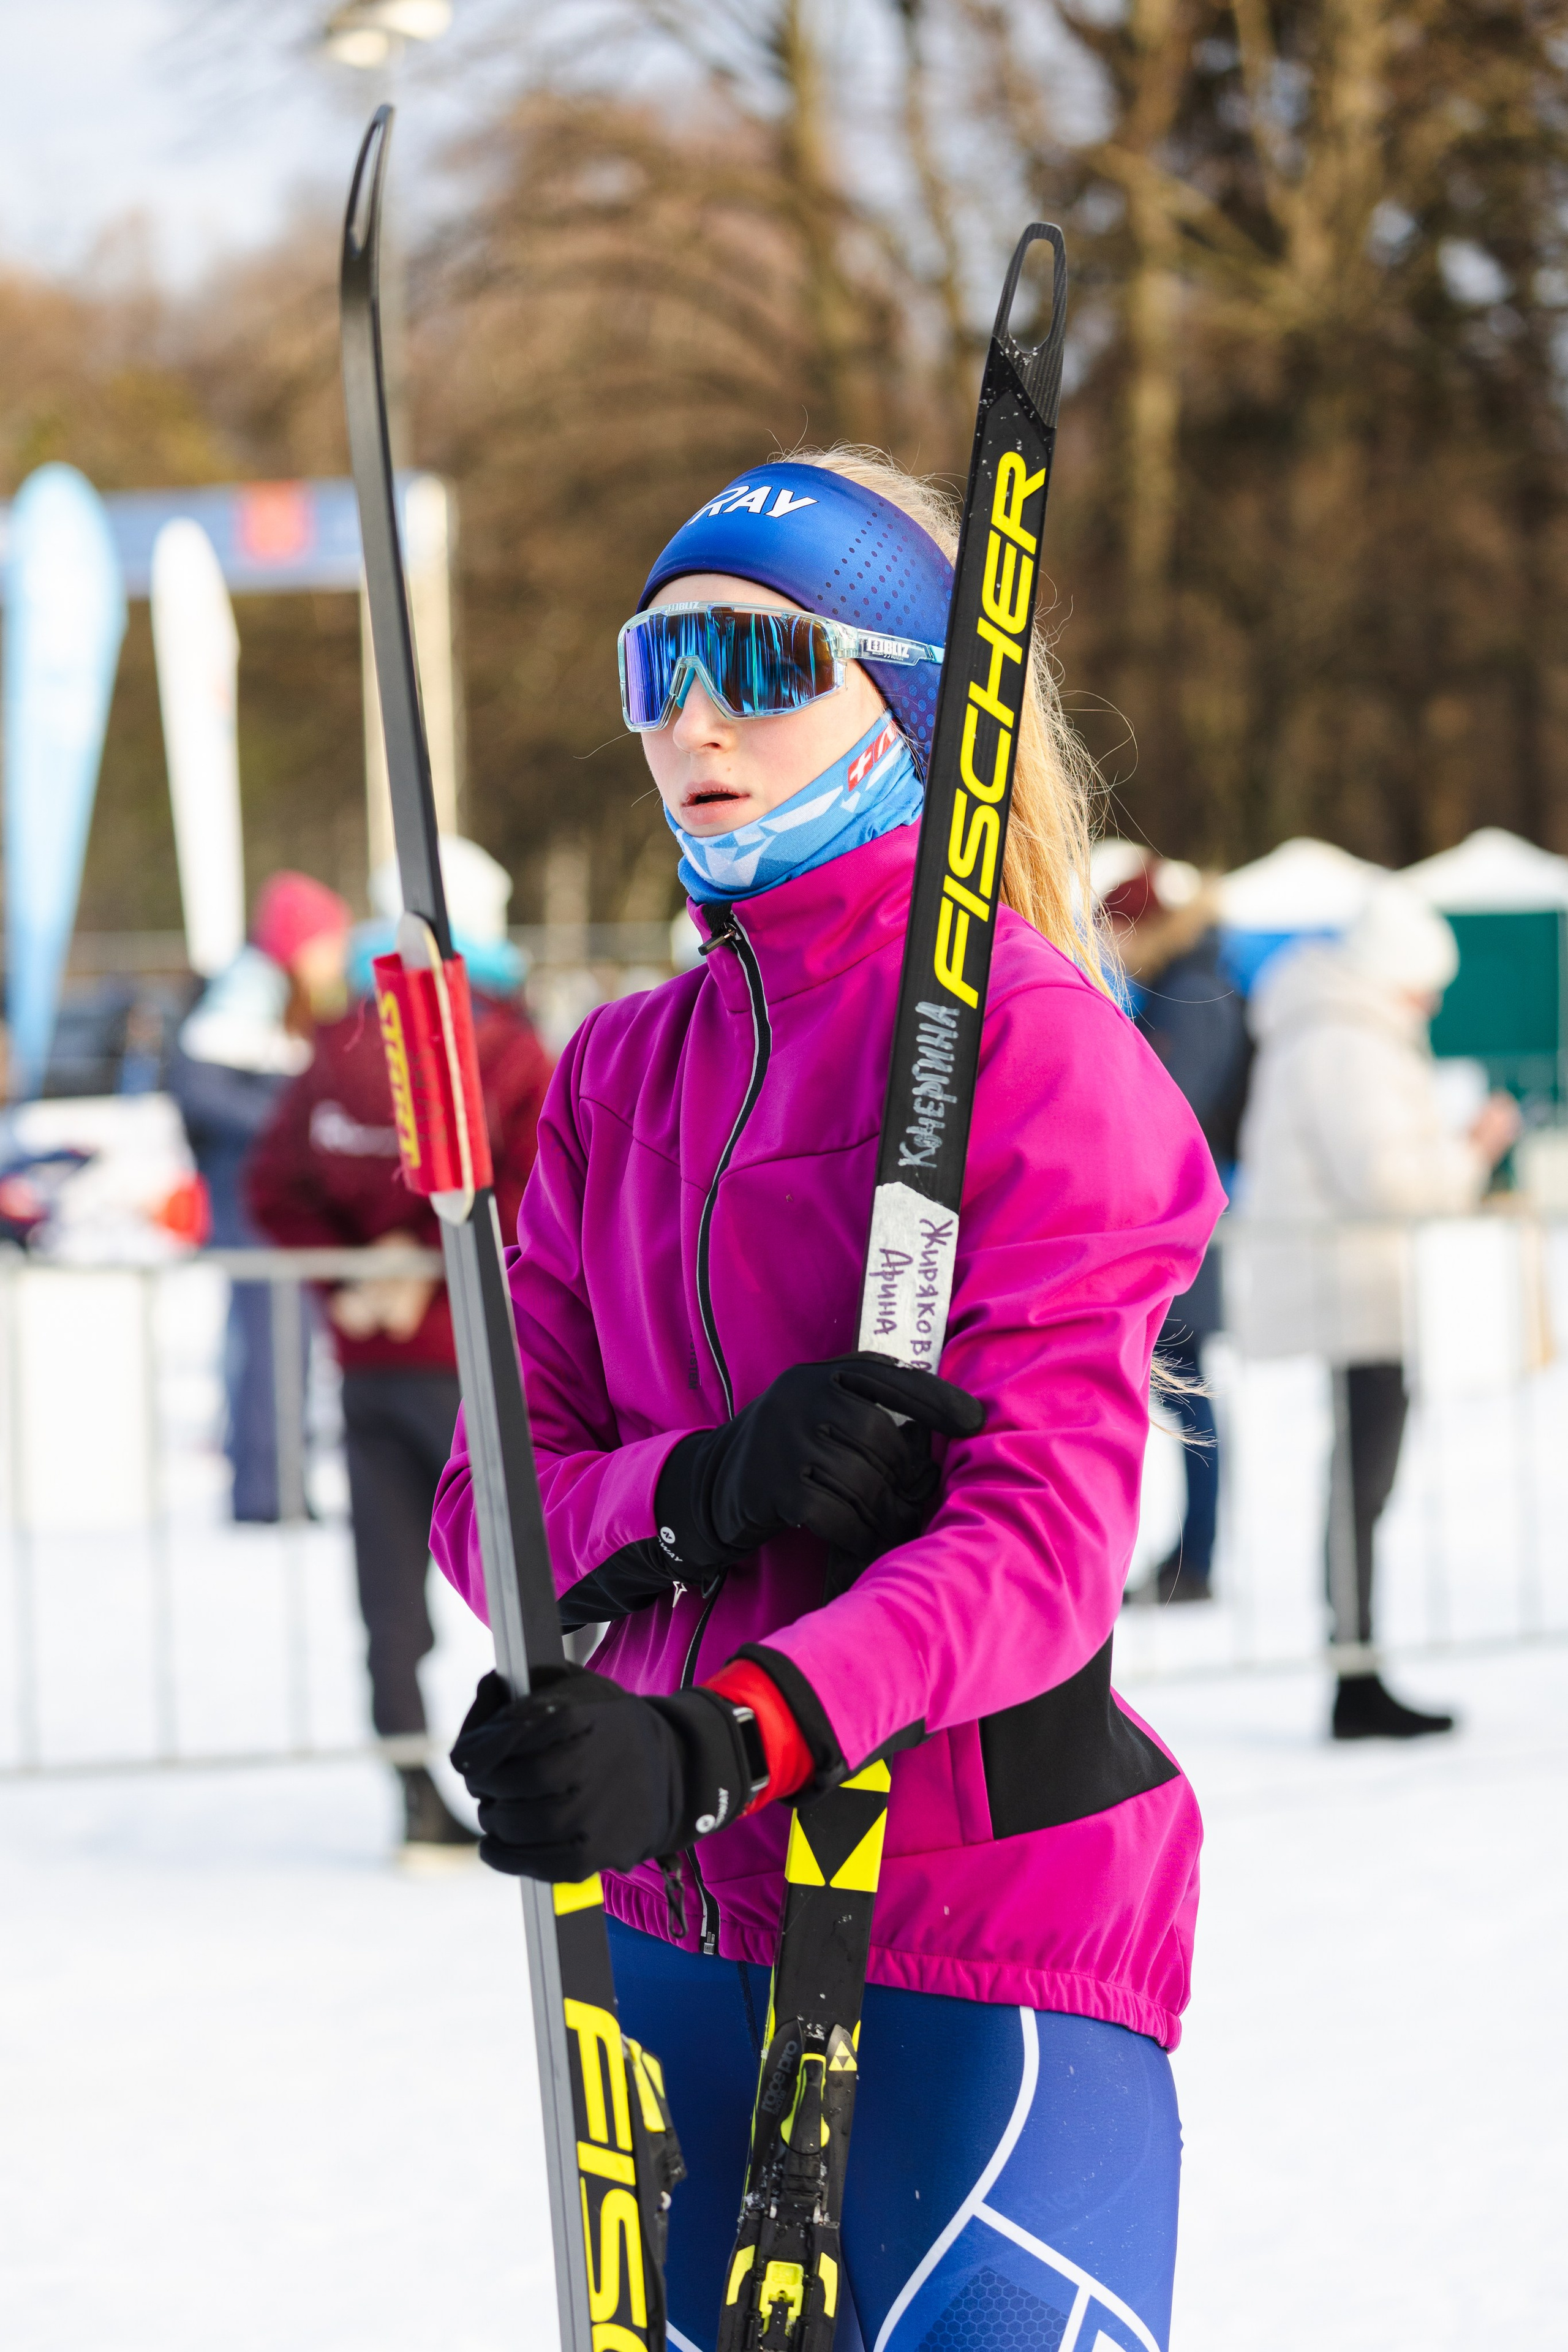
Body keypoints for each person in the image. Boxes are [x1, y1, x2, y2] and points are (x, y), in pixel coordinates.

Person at [434, 452, 1223, 2350]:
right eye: (655, 667)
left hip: (964, 1943)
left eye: (756, 663)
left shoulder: (1041, 1054)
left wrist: (721, 1734)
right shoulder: (625, 1068)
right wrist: (700, 1488)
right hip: (666, 1943)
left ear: (906, 699)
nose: (691, 720)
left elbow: (1038, 1545)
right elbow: (492, 1497)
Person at [246, 838, 551, 1858]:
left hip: (397, 1354)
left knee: (400, 1592)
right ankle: (532, 1776)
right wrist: (385, 1270)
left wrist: (361, 1271)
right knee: (524, 1584)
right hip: (464, 1364)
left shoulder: (348, 1044)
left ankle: (420, 1787)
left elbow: (276, 1184)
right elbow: (528, 1194)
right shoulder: (500, 1045)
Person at [1236, 879, 1520, 1740]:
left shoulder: (1330, 1026)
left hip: (1351, 1282)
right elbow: (1387, 1181)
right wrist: (1471, 1153)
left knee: (1360, 1480)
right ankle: (1355, 1670)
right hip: (1355, 1287)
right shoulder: (1347, 1042)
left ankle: (1357, 1662)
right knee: (1364, 1481)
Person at [170, 873, 352, 1521]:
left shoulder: (265, 1001)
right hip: (251, 1209)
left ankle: (275, 1484)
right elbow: (204, 1095)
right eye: (326, 942)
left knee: (274, 1345)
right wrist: (290, 1125)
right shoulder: (242, 1004)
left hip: (258, 1205)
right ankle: (267, 1492)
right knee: (272, 1345)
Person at [1104, 855, 1251, 1604]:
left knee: (1187, 1395)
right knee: (1182, 1396)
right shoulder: (1186, 983)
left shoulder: (1189, 992)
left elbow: (1170, 1105)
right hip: (1174, 1218)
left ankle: (1196, 1558)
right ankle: (1190, 1555)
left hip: (1176, 1223)